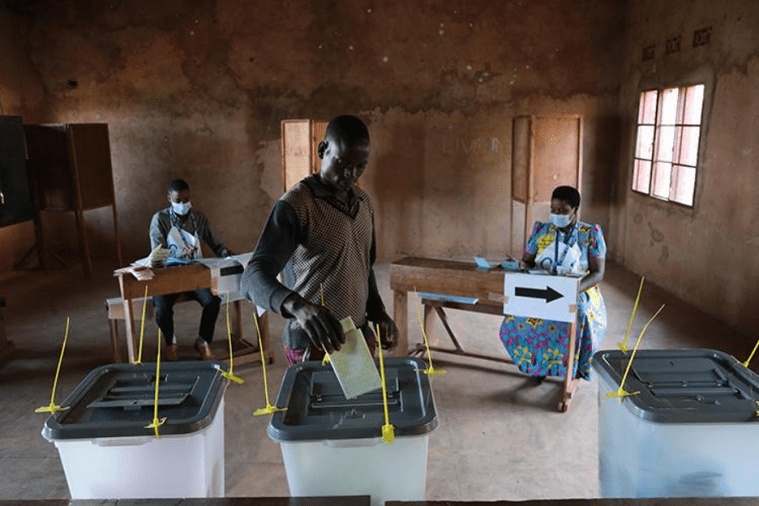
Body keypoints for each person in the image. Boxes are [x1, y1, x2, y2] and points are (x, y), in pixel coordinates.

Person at [241, 115, 398, 364]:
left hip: (358, 336)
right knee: (318, 402)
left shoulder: (364, 203)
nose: (351, 174)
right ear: (322, 150)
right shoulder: (298, 204)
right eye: (342, 162)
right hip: (313, 342)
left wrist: (378, 311)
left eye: (360, 166)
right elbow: (252, 277)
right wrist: (298, 307)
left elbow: (363, 265)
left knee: (358, 403)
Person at [500, 185, 607, 382]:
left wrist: (572, 290)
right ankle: (538, 365)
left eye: (563, 211)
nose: (557, 214)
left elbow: (598, 273)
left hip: (579, 288)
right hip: (543, 285)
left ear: (575, 209)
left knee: (578, 311)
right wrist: (523, 264)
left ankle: (572, 369)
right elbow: (528, 260)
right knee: (520, 310)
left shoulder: (590, 234)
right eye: (553, 210)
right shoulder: (543, 230)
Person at [149, 179, 232, 361]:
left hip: (194, 274)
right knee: (162, 307)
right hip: (169, 274)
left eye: (186, 200)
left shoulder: (199, 218)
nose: (182, 205)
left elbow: (216, 243)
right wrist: (172, 255)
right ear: (169, 198)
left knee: (212, 301)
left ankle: (203, 341)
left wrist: (226, 253)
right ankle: (171, 344)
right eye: (178, 201)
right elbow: (157, 252)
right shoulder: (160, 219)